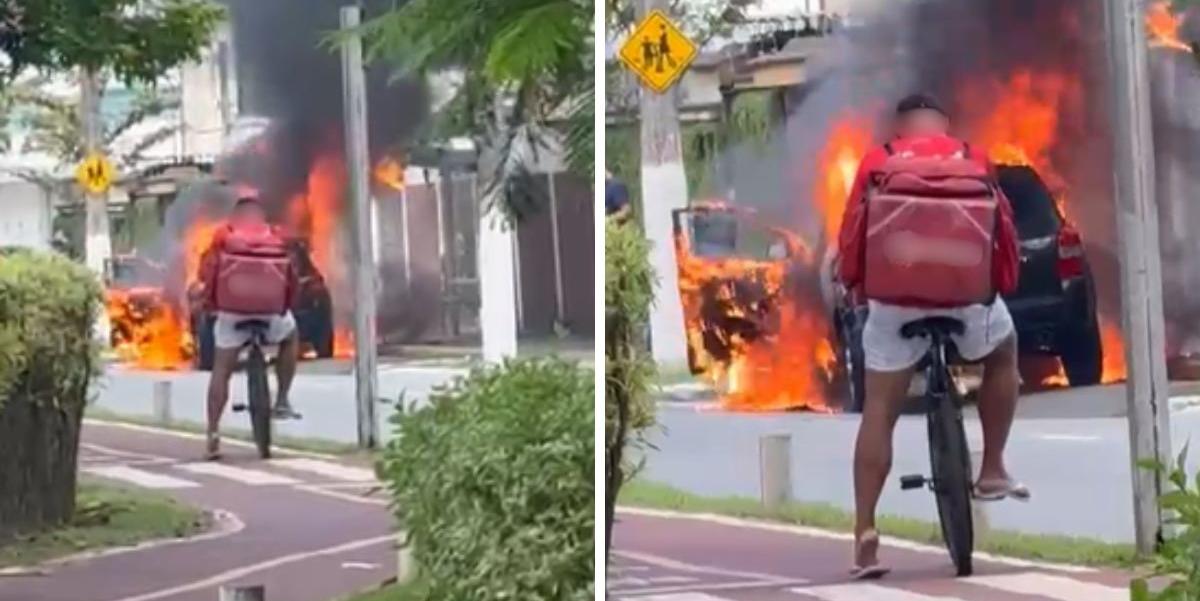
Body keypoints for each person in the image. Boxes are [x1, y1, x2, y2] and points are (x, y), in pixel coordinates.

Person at [836, 94, 1026, 578]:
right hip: (967, 296)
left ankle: (865, 534)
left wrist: (856, 289)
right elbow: (1001, 232)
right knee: (1003, 353)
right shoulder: (973, 156)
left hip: (895, 299)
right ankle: (993, 468)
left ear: (900, 129)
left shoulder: (879, 160)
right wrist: (999, 285)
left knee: (880, 407)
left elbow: (852, 236)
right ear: (944, 127)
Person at [195, 194, 300, 460]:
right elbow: (292, 277)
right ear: (261, 217)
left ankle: (213, 433)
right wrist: (287, 304)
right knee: (291, 336)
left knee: (222, 370)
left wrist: (209, 305)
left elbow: (206, 273)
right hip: (271, 313)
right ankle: (283, 398)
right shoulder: (276, 235)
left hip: (232, 313)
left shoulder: (223, 236)